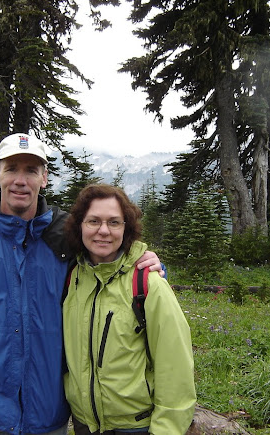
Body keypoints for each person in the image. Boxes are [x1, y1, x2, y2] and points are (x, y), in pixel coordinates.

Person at [0, 134, 163, 435]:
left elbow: (113, 262)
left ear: (44, 178)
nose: (21, 180)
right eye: (12, 169)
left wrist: (148, 261)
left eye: (31, 171)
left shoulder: (67, 236)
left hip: (48, 402)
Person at [63, 183, 196, 435]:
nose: (103, 231)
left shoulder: (147, 283)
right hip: (84, 424)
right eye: (93, 221)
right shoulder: (71, 278)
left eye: (114, 222)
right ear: (80, 225)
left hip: (136, 426)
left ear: (127, 228)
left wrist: (166, 429)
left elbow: (175, 364)